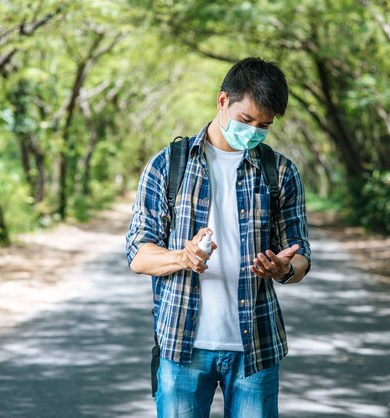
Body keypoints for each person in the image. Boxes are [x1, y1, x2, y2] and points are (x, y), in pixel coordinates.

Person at [126, 57, 311, 418]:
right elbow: (138, 255)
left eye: (264, 126)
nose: (255, 131)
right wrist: (183, 257)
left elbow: (301, 254)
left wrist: (284, 269)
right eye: (246, 120)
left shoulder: (281, 172)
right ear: (222, 101)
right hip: (182, 346)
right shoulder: (168, 165)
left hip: (256, 348)